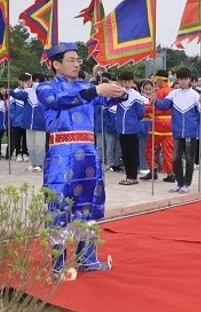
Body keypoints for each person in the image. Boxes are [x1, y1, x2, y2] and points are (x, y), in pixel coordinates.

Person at [36, 42, 125, 276]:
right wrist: (96, 91)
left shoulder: (86, 86)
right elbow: (61, 101)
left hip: (88, 155)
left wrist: (118, 92)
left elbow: (108, 101)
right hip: (61, 156)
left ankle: (87, 258)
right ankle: (58, 266)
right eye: (71, 60)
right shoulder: (45, 89)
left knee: (89, 208)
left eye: (78, 60)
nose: (77, 64)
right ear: (56, 64)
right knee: (58, 208)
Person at [153, 67, 201, 194]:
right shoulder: (174, 93)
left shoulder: (195, 95)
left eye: (186, 79)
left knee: (189, 159)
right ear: (177, 80)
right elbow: (164, 106)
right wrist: (154, 99)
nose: (183, 81)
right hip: (177, 132)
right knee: (175, 158)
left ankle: (186, 183)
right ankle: (179, 182)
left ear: (189, 80)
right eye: (181, 79)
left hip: (190, 132)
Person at [114, 71, 145, 186]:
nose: (127, 84)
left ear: (132, 82)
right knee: (125, 153)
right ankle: (128, 176)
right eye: (124, 82)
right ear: (120, 82)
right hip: (121, 129)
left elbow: (141, 112)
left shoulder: (136, 95)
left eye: (129, 82)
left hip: (132, 129)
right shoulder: (118, 94)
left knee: (132, 153)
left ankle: (133, 176)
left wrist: (133, 120)